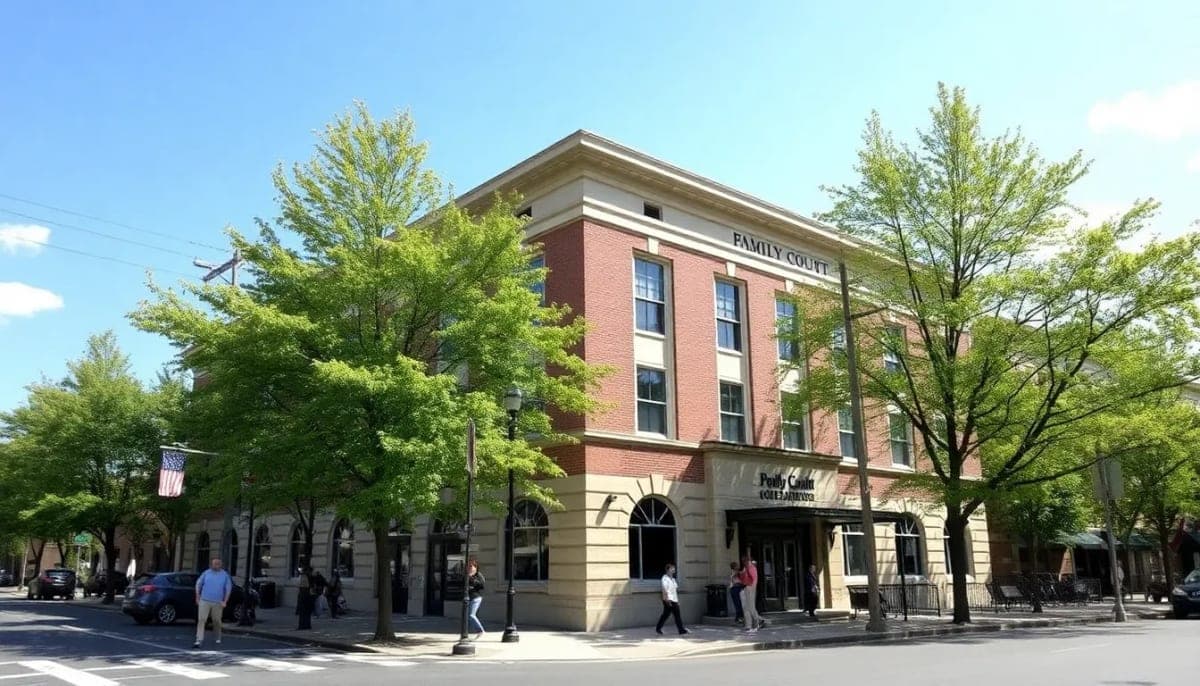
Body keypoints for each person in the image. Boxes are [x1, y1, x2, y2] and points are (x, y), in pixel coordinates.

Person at [193, 558, 232, 649]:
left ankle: (217, 636)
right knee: (202, 619)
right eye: (214, 564)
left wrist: (225, 601)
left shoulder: (225, 575)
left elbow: (228, 589)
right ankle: (199, 639)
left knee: (216, 620)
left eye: (218, 563)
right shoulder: (206, 573)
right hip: (204, 600)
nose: (216, 565)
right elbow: (198, 584)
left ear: (221, 564)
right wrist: (197, 596)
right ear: (211, 564)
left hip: (218, 602)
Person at [655, 562, 688, 635]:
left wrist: (677, 601)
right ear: (668, 570)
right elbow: (664, 589)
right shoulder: (664, 578)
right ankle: (680, 630)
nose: (674, 570)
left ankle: (659, 628)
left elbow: (674, 591)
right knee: (670, 615)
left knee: (670, 615)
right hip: (668, 599)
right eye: (672, 568)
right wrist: (667, 600)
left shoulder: (673, 579)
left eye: (674, 568)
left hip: (674, 599)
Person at [739, 554, 763, 632]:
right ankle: (750, 625)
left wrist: (752, 589)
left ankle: (758, 621)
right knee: (746, 607)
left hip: (750, 587)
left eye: (744, 561)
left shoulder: (751, 568)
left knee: (751, 607)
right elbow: (743, 579)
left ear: (748, 561)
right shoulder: (746, 568)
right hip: (746, 587)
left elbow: (754, 579)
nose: (743, 562)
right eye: (743, 561)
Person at [466, 560, 486, 639]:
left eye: (471, 566)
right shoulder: (467, 575)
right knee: (468, 617)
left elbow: (482, 585)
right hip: (468, 598)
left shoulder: (478, 575)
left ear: (475, 567)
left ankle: (480, 631)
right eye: (468, 566)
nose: (469, 568)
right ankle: (465, 634)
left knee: (471, 615)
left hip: (476, 597)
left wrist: (471, 578)